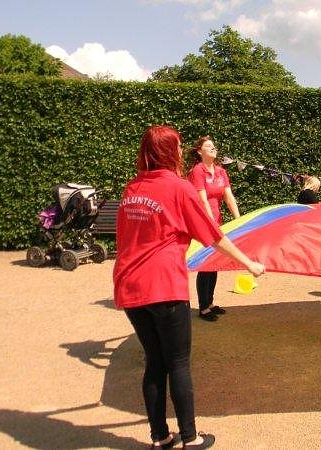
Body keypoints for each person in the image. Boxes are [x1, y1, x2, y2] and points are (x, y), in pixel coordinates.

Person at [113, 125, 265, 449]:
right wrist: (249, 264)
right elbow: (213, 235)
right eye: (178, 146)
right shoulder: (179, 188)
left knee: (155, 361)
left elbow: (124, 238)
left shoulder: (131, 189)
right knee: (178, 363)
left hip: (130, 286)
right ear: (169, 151)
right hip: (164, 286)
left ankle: (160, 437)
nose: (182, 151)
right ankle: (191, 439)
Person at [187, 136, 241, 322]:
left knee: (214, 263)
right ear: (199, 151)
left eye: (213, 146)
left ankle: (209, 303)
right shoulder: (197, 171)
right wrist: (210, 225)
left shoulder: (220, 171)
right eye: (208, 146)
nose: (213, 148)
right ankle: (203, 307)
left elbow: (229, 198)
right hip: (203, 222)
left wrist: (239, 221)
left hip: (218, 222)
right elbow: (202, 201)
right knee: (205, 264)